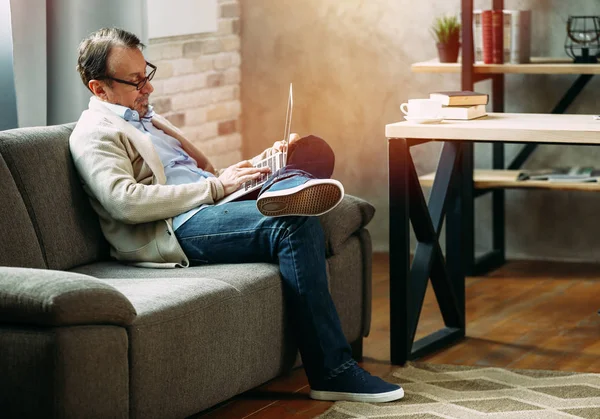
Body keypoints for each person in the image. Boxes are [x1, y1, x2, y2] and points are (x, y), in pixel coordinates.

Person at [70, 27, 404, 403]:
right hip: (174, 228)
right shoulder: (94, 134)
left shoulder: (148, 118)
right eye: (135, 81)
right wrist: (217, 188)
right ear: (99, 89)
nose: (148, 88)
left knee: (310, 153)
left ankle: (283, 180)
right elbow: (125, 202)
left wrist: (247, 170)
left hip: (210, 203)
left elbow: (193, 174)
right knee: (294, 225)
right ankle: (333, 372)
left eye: (147, 74)